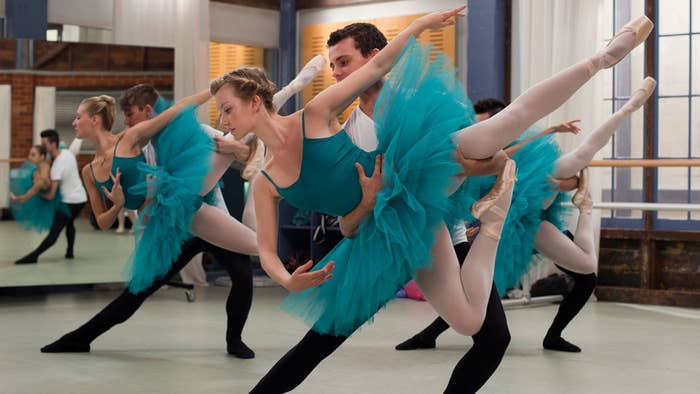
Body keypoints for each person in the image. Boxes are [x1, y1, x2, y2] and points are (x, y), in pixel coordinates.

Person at [218, 5, 650, 391]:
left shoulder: (393, 109)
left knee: (502, 125)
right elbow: (344, 225)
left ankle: (600, 59)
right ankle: (496, 220)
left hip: (435, 210)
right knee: (331, 339)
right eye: (331, 66)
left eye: (344, 63)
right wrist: (362, 207)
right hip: (384, 237)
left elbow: (482, 161)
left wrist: (422, 25)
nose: (336, 74)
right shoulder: (329, 136)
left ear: (371, 60)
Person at [40, 57, 325, 358]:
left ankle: (234, 341)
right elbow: (116, 213)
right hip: (175, 223)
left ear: (147, 111)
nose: (129, 120)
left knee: (242, 271)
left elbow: (238, 136)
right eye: (125, 115)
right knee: (140, 290)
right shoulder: (131, 144)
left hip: (208, 213)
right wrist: (122, 204)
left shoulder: (160, 133)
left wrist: (238, 142)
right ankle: (80, 337)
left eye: (132, 113)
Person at [14, 129, 88, 264]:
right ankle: (69, 252)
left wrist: (37, 194)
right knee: (69, 223)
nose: (43, 147)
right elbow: (75, 145)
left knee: (55, 230)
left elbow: (50, 195)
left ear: (53, 144)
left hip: (70, 201)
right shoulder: (66, 153)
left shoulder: (57, 166)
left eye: (45, 144)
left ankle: (34, 256)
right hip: (81, 198)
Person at [9, 145, 68, 232]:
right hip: (42, 189)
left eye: (33, 155)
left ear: (42, 157)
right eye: (30, 154)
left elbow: (27, 196)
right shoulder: (40, 167)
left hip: (53, 200)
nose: (29, 157)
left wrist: (16, 198)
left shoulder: (41, 180)